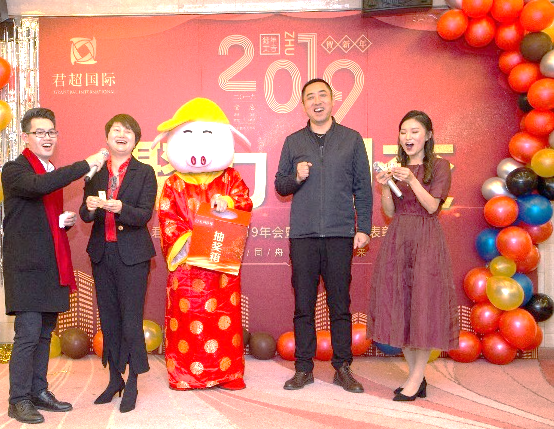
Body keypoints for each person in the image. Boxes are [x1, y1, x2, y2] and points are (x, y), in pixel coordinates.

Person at [2, 107, 106, 424]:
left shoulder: (47, 170)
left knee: (45, 334)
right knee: (28, 335)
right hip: (26, 267)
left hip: (48, 264)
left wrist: (60, 222)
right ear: (25, 137)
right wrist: (86, 164)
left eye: (51, 132)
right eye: (39, 133)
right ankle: (18, 399)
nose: (47, 138)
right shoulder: (15, 170)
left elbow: (35, 211)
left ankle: (38, 391)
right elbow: (39, 186)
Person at [275, 78, 372, 393]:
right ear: (304, 105)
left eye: (322, 95)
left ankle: (342, 368)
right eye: (310, 97)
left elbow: (363, 187)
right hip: (303, 236)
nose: (317, 102)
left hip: (339, 234)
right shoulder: (293, 142)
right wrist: (295, 177)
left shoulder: (351, 139)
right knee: (303, 305)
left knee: (339, 304)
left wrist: (363, 227)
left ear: (332, 100)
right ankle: (303, 368)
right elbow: (280, 185)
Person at [154, 97, 253, 391]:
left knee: (225, 316)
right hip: (187, 267)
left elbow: (244, 203)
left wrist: (228, 203)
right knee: (187, 318)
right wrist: (188, 241)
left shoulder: (230, 178)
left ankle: (228, 373)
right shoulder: (173, 183)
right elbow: (168, 217)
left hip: (220, 265)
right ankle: (185, 374)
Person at [367, 110, 458, 401]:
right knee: (402, 306)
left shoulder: (440, 166)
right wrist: (385, 185)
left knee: (423, 306)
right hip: (399, 238)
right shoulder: (397, 167)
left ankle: (416, 378)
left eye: (415, 131)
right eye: (403, 131)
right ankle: (416, 377)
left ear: (428, 135)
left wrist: (412, 180)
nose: (408, 137)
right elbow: (390, 212)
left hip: (426, 239)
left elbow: (432, 207)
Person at [79, 114, 157, 413]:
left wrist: (122, 207)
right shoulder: (96, 171)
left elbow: (144, 214)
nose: (122, 135)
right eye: (116, 130)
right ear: (107, 137)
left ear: (135, 140)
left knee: (130, 322)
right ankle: (114, 379)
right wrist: (89, 208)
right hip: (102, 254)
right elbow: (85, 214)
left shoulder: (145, 172)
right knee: (109, 320)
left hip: (133, 257)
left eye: (128, 131)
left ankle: (133, 381)